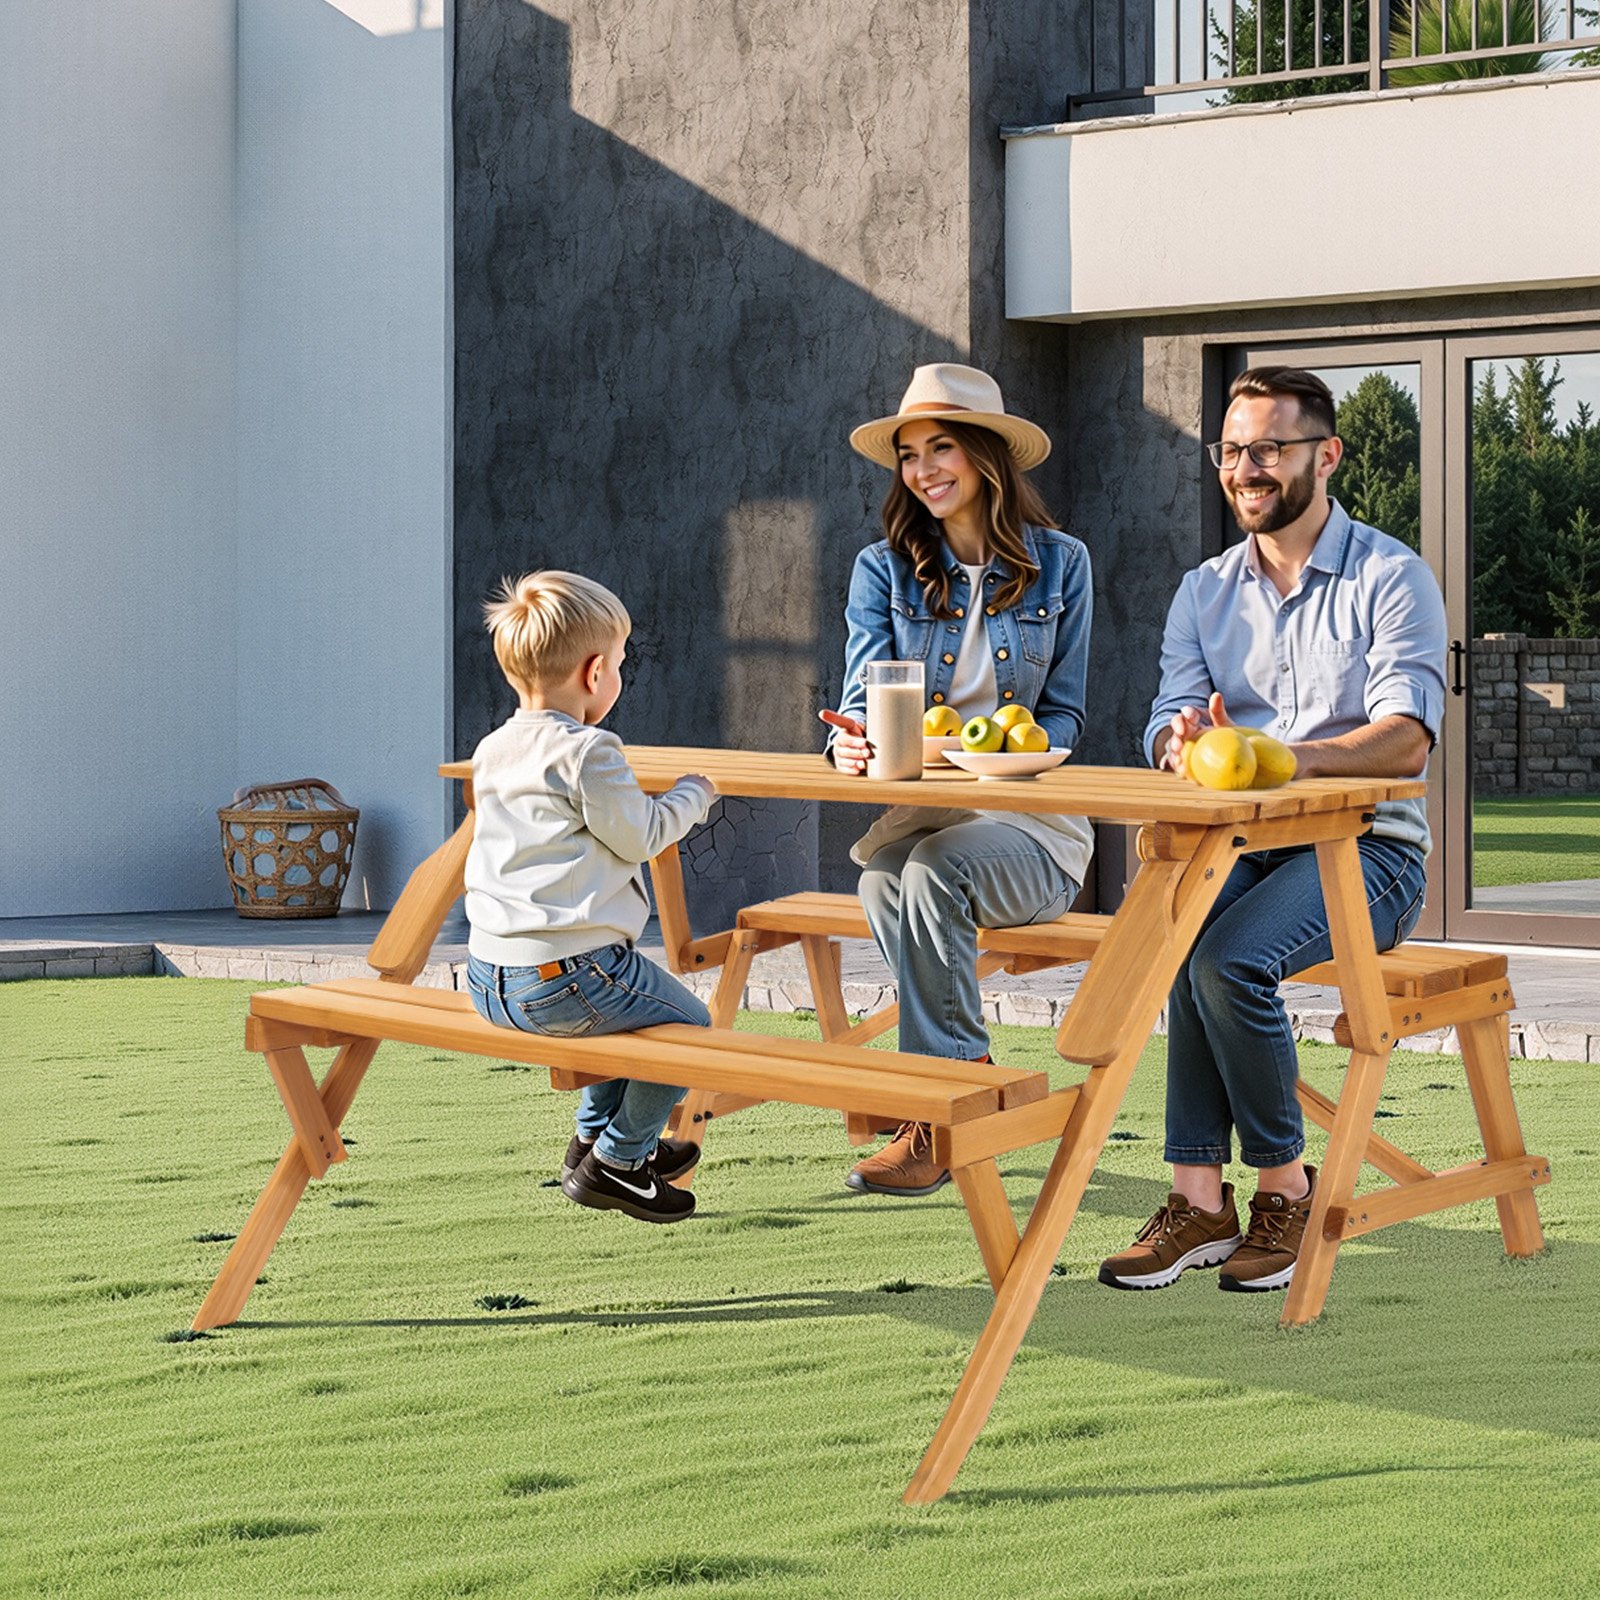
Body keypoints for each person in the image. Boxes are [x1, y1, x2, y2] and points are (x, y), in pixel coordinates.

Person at [1099, 366, 1445, 1294]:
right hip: (1251, 847)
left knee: (1227, 961)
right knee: (1179, 942)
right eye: (1231, 450)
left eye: (1268, 449)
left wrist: (1290, 756)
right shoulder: (1204, 591)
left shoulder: (1389, 575)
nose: (1245, 468)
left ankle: (1284, 1191)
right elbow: (1170, 710)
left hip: (1374, 855)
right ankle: (1198, 1201)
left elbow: (1407, 739)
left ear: (1325, 456)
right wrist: (1179, 741)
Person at [829, 362, 1094, 1197]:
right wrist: (852, 744)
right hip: (925, 815)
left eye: (941, 446)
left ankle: (938, 1117)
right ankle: (967, 1069)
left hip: (1033, 825)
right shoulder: (884, 568)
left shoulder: (1064, 564)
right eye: (908, 454)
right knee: (879, 881)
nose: (923, 469)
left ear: (985, 455)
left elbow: (1065, 717)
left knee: (932, 874)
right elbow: (861, 698)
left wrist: (1002, 754)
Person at [463, 570, 718, 1224]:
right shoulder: (589, 750)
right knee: (692, 1029)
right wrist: (695, 792)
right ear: (596, 671)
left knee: (625, 1013)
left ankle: (592, 1141)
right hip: (566, 978)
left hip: (490, 979)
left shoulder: (493, 749)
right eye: (622, 665)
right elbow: (641, 835)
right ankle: (620, 1162)